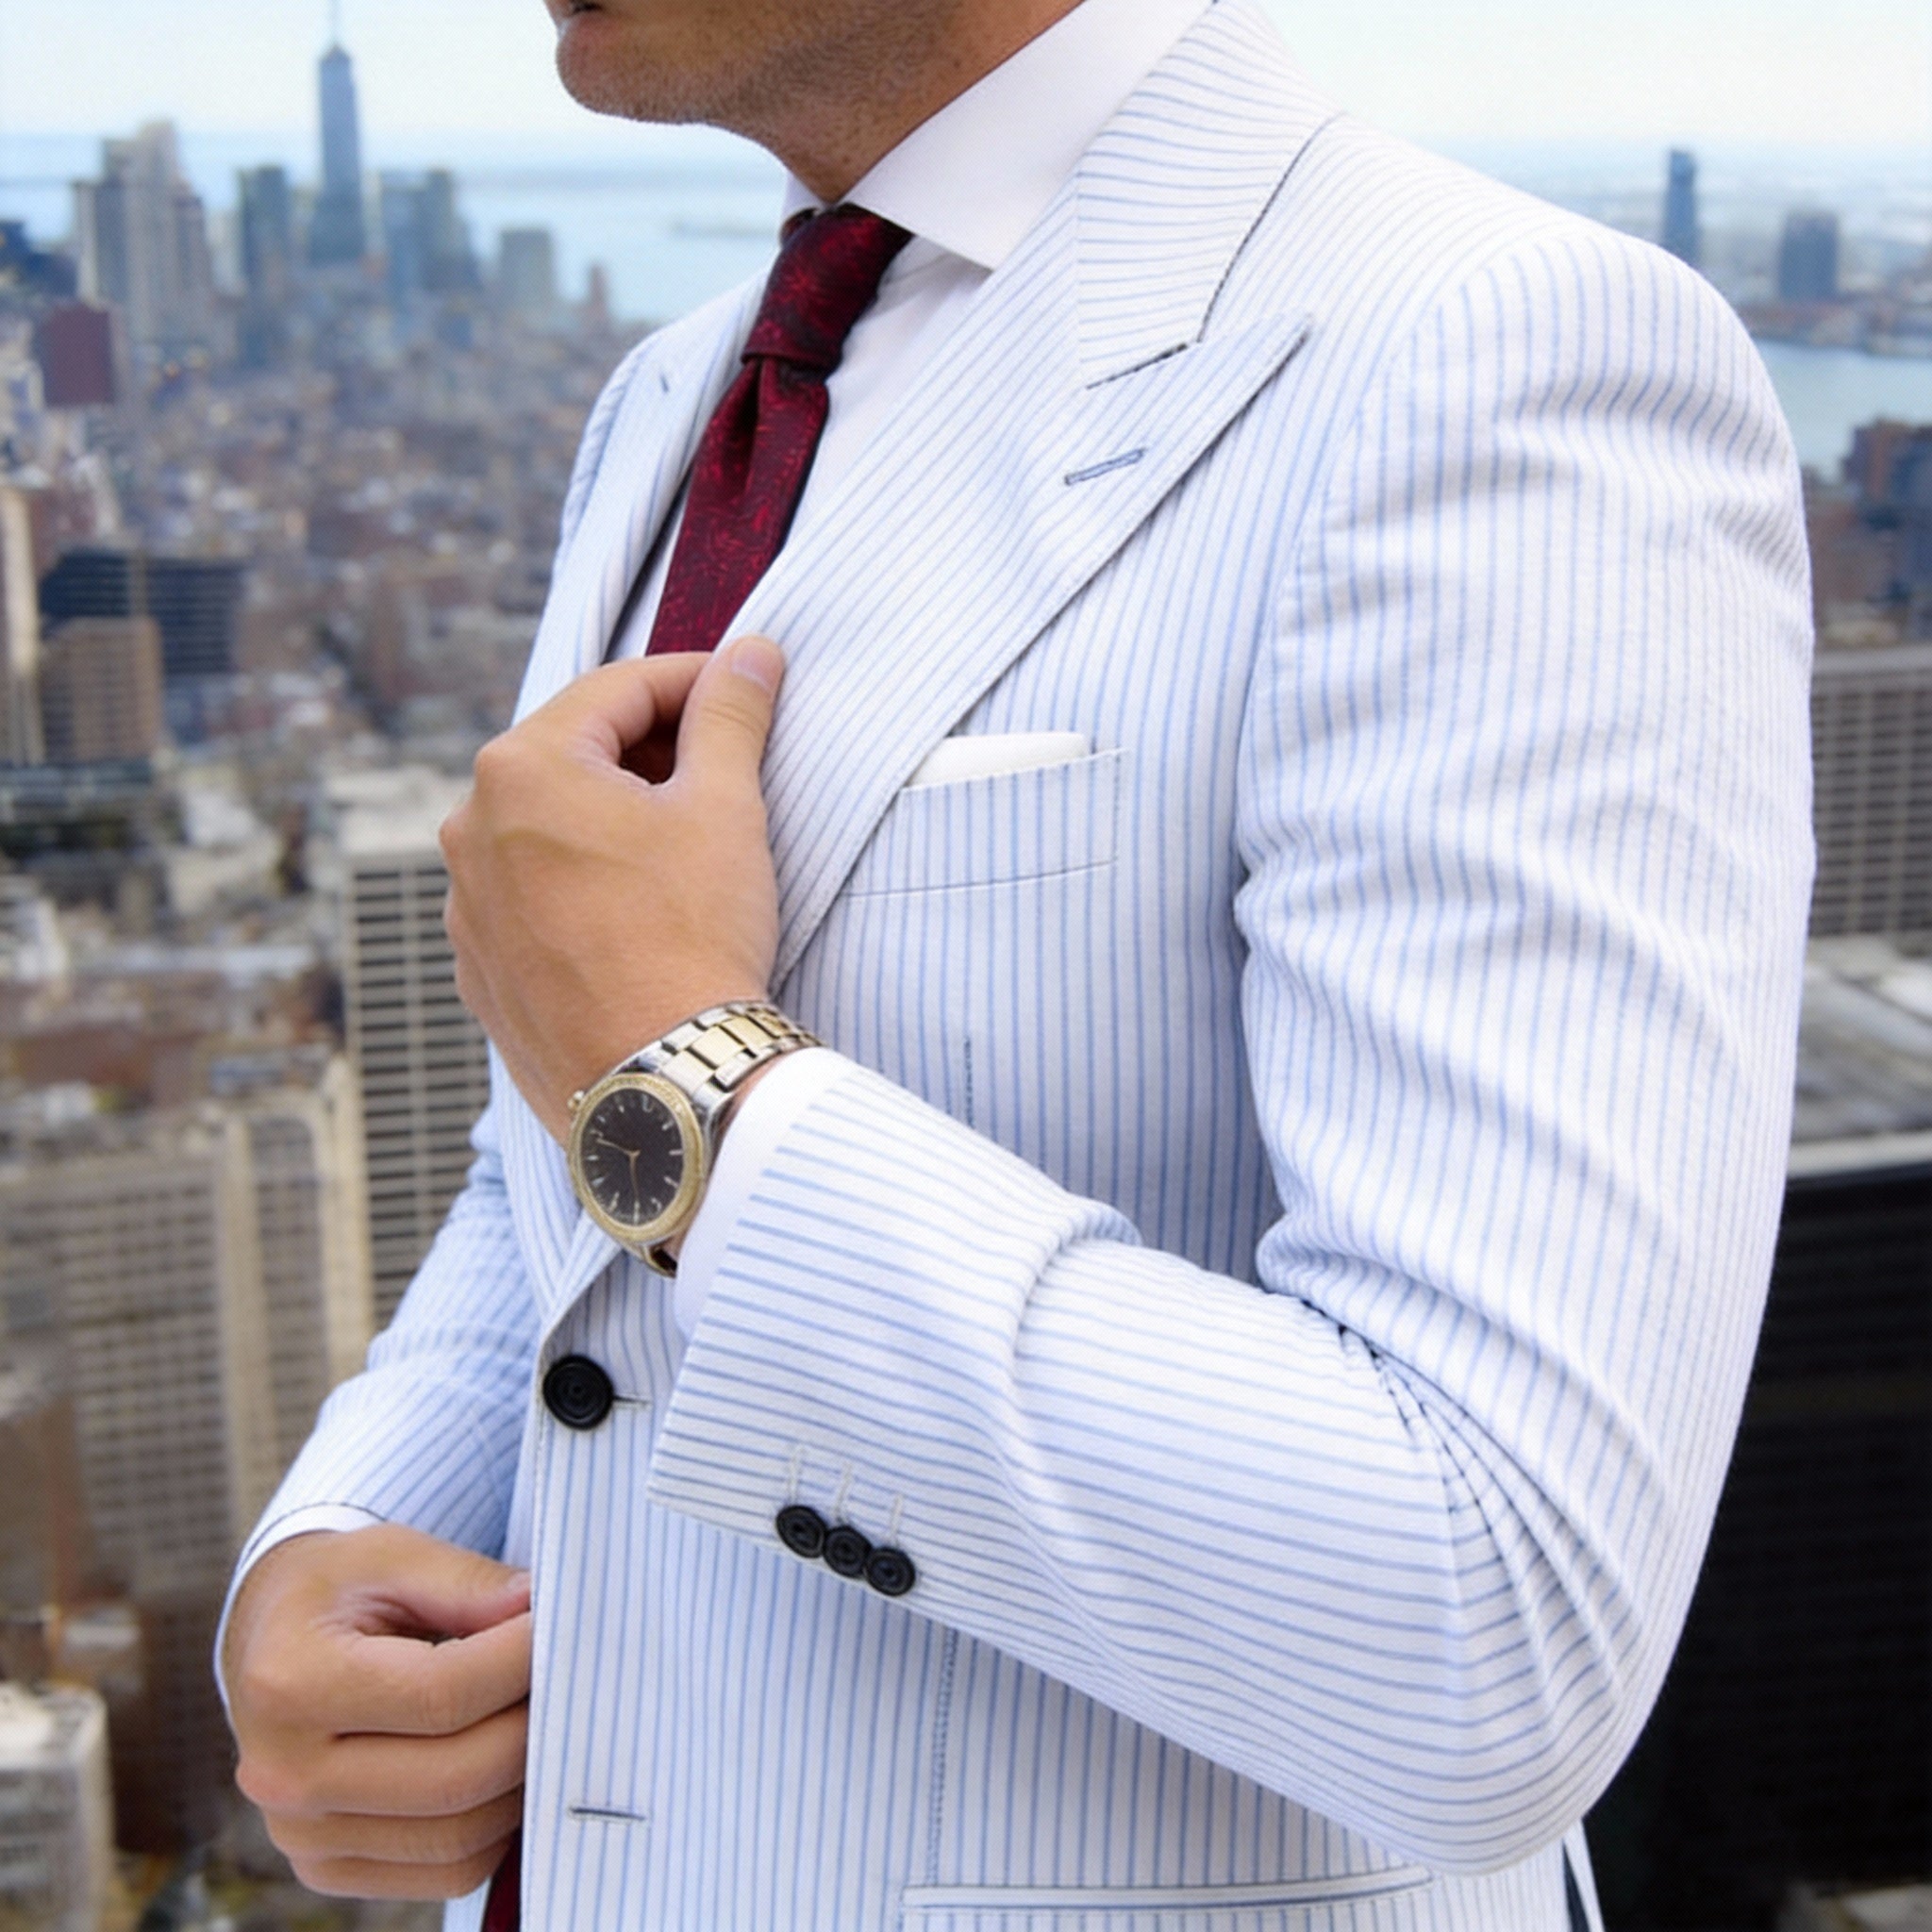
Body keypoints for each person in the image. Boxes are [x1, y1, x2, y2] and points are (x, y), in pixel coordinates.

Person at [218, 0, 1816, 1925]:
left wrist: (695, 1076)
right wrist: (342, 1531)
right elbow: (561, 1146)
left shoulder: (1490, 352)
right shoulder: (675, 399)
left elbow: (1489, 1618)